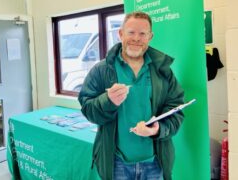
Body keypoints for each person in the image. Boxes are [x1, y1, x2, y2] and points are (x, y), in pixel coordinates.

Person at [78, 11, 184, 180]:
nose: (136, 38)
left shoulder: (163, 71)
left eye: (142, 34)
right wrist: (108, 101)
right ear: (121, 34)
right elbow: (87, 108)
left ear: (150, 36)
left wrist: (160, 128)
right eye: (131, 32)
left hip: (155, 163)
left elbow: (176, 110)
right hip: (116, 164)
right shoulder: (102, 70)